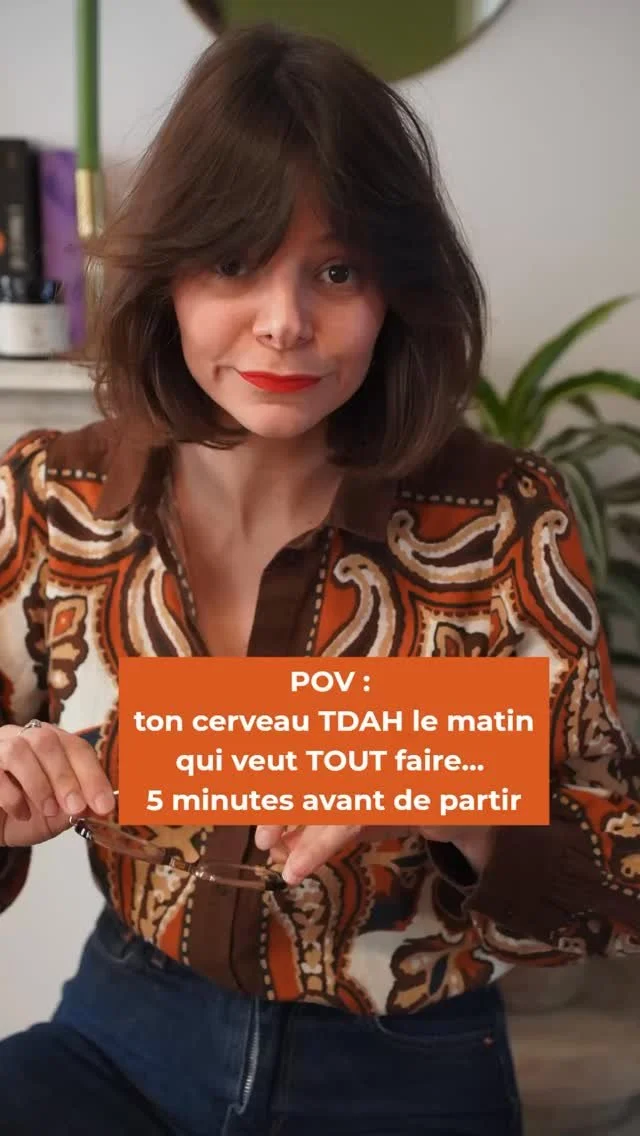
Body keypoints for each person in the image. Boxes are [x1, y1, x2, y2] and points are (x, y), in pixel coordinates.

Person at [0, 20, 638, 1136]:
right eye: (233, 262)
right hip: (122, 1032)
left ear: (397, 291)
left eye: (336, 271)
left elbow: (617, 885)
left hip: (409, 1057)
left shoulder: (504, 516)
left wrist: (451, 795)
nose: (286, 322)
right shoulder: (48, 493)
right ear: (166, 276)